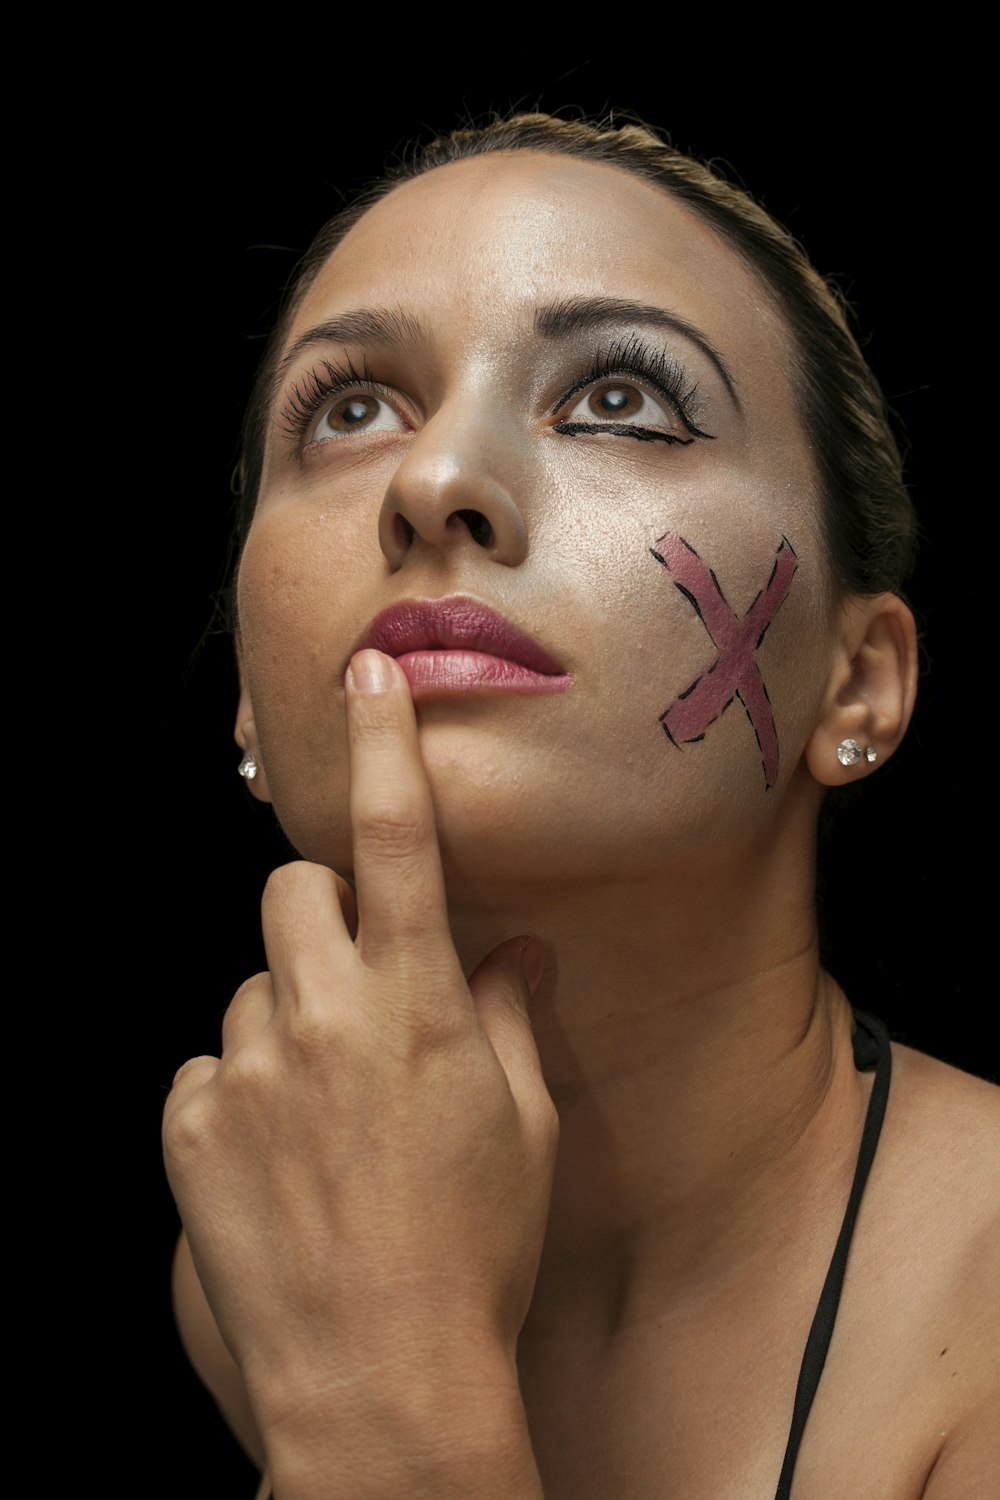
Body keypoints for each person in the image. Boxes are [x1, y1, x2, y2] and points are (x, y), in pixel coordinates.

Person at [162, 114, 999, 1499]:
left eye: (618, 398)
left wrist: (389, 1408)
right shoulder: (271, 1247)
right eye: (352, 410)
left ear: (858, 685)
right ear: (252, 701)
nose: (435, 484)